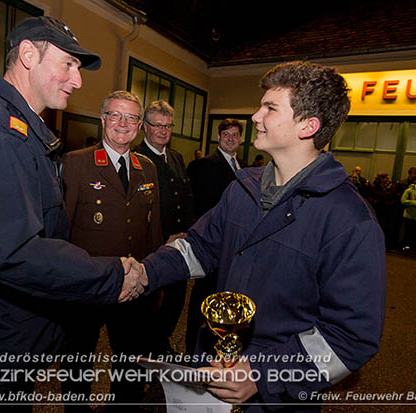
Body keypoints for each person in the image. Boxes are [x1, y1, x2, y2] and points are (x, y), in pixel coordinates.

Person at [0, 17, 147, 412]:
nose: (77, 81)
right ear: (27, 55)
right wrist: (112, 275)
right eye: (68, 65)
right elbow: (14, 252)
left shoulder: (13, 126)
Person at [142, 61, 386, 412]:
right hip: (211, 371)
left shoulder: (350, 221)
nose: (255, 117)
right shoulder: (242, 189)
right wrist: (144, 273)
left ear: (308, 126)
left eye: (270, 108)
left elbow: (350, 337)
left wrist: (261, 374)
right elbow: (198, 248)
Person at [60, 90, 162, 411]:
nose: (123, 123)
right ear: (103, 119)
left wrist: (155, 275)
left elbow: (153, 228)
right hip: (86, 284)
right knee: (77, 358)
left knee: (130, 359)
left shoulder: (148, 168)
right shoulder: (76, 164)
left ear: (139, 126)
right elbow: (60, 230)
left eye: (131, 117)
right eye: (115, 115)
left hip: (132, 284)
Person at [135, 99, 194, 355]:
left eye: (168, 126)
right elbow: (137, 209)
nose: (163, 131)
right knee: (150, 303)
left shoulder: (177, 157)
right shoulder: (136, 158)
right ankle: (150, 348)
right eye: (157, 125)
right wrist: (162, 238)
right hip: (154, 246)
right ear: (144, 127)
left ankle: (162, 341)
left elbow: (186, 196)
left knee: (175, 300)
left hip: (180, 244)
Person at [185, 118, 243, 355]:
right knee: (203, 297)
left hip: (232, 245)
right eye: (226, 134)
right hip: (213, 241)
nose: (230, 138)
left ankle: (213, 346)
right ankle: (193, 349)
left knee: (221, 298)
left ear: (240, 139)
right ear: (218, 138)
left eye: (235, 135)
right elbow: (203, 206)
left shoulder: (241, 166)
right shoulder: (205, 165)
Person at [366, 172, 397, 248]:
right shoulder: (374, 187)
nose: (388, 179)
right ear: (381, 179)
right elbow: (369, 196)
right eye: (386, 178)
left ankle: (384, 243)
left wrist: (390, 203)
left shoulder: (391, 187)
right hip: (377, 209)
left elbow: (394, 197)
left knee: (386, 226)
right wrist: (375, 201)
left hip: (387, 209)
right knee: (377, 225)